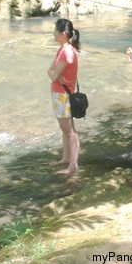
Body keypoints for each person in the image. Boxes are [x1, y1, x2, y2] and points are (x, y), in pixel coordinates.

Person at [47, 18, 81, 175]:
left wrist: (54, 74)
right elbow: (50, 71)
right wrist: (53, 74)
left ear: (62, 34)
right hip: (60, 94)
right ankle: (66, 158)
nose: (53, 33)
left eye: (55, 31)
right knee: (65, 129)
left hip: (62, 95)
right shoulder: (62, 50)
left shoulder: (66, 52)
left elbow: (53, 75)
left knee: (69, 131)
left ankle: (73, 165)